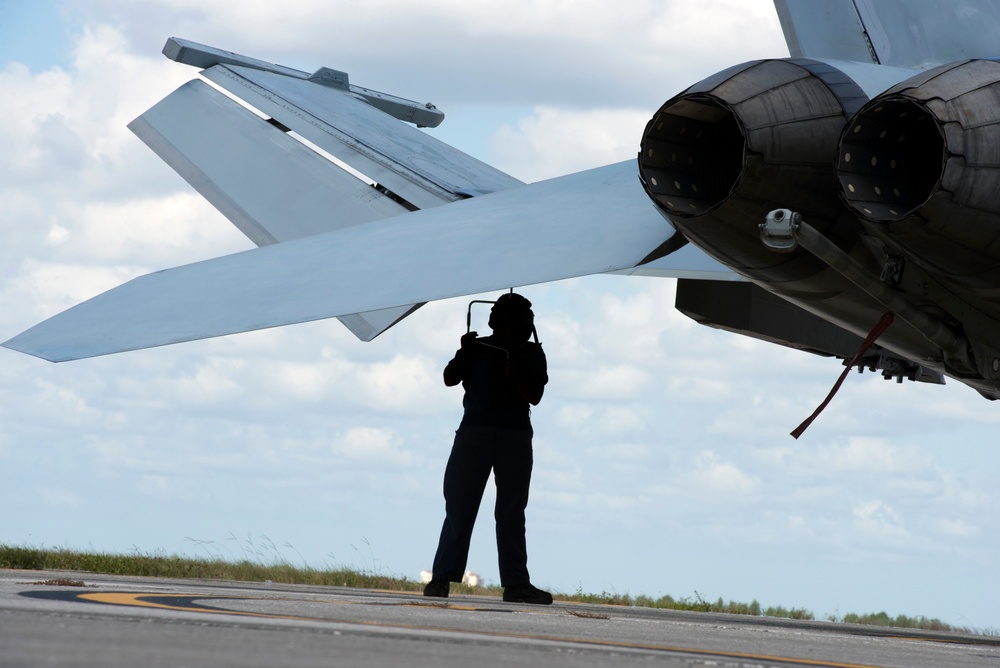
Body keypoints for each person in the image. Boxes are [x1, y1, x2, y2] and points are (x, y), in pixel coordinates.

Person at [423, 292, 552, 605]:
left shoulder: (532, 354)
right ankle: (442, 578)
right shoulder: (477, 348)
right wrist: (465, 352)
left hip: (508, 437)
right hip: (481, 435)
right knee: (460, 507)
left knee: (510, 511)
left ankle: (515, 584)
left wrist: (516, 372)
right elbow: (449, 378)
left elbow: (533, 395)